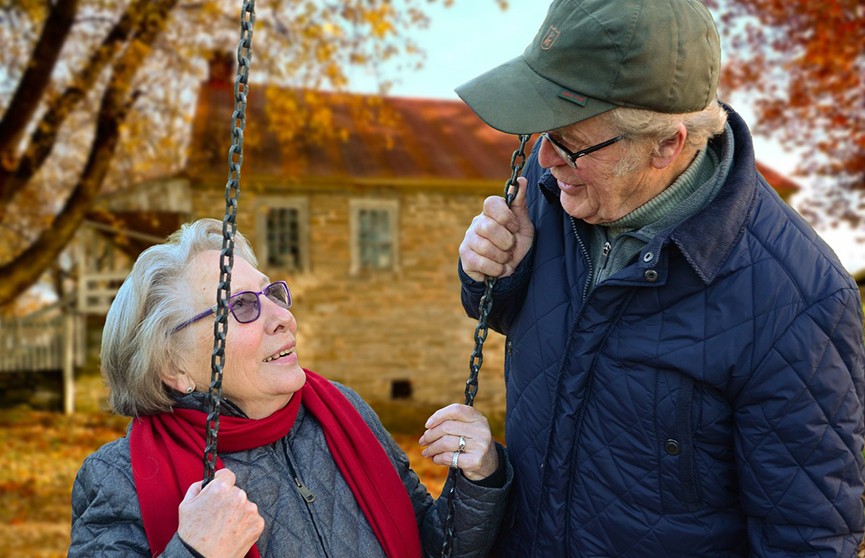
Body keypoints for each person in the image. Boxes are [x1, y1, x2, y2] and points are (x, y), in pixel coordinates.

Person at [454, 0, 865, 556]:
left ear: (667, 145)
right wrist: (496, 275)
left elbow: (808, 538)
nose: (545, 157)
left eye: (571, 143)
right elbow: (539, 330)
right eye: (540, 131)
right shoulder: (556, 187)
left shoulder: (800, 301)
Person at [69, 218, 511, 558]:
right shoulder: (119, 477)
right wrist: (195, 551)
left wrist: (477, 478)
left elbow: (430, 546)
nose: (281, 316)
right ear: (173, 367)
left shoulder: (343, 413)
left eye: (272, 294)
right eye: (241, 307)